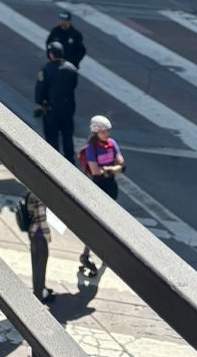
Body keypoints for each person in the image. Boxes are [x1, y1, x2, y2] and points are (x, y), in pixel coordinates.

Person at [76, 115, 124, 279]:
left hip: (110, 186)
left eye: (108, 131)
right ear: (96, 131)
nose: (107, 134)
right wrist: (112, 169)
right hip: (97, 187)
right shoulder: (91, 148)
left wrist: (108, 170)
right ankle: (86, 254)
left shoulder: (112, 144)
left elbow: (121, 163)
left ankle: (102, 253)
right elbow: (95, 171)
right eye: (104, 131)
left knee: (110, 222)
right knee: (96, 223)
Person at [34, 42, 79, 164]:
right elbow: (74, 85)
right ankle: (70, 160)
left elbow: (41, 89)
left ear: (51, 54)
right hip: (68, 107)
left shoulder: (47, 69)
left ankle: (54, 162)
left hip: (52, 108)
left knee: (52, 136)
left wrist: (39, 101)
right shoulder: (72, 69)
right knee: (67, 134)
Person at [21, 189, 54, 304]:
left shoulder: (29, 193)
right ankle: (39, 296)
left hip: (33, 233)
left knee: (37, 265)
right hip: (39, 235)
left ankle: (41, 289)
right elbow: (41, 218)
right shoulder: (36, 195)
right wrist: (47, 234)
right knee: (40, 266)